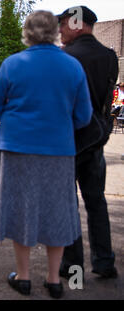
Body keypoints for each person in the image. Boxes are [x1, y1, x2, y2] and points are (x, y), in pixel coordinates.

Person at [0, 11, 93, 299]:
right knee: (57, 211)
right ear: (56, 31)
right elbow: (84, 116)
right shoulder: (73, 67)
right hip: (59, 151)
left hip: (16, 148)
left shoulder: (12, 64)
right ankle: (54, 279)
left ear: (28, 32)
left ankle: (23, 277)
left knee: (22, 210)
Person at [57, 6, 119, 279]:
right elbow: (106, 104)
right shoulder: (109, 56)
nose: (59, 30)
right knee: (96, 202)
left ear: (76, 23)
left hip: (66, 139)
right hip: (95, 139)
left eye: (62, 24)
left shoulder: (65, 57)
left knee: (67, 204)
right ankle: (104, 262)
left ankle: (73, 266)